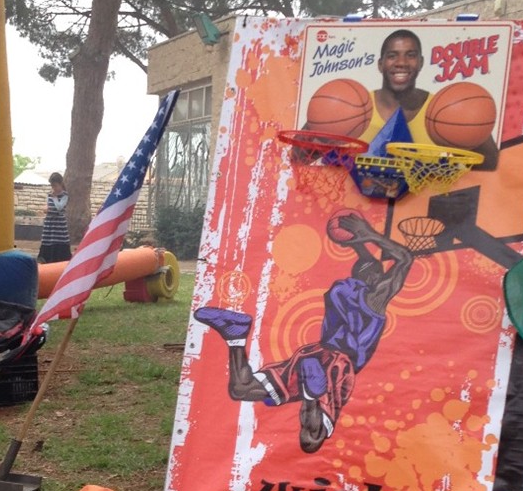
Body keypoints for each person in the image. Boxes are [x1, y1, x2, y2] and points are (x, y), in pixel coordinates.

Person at [194, 209, 414, 452]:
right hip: (338, 365)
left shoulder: (341, 289)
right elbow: (405, 258)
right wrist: (369, 234)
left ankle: (236, 335)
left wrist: (358, 242)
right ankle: (311, 395)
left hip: (313, 353)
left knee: (241, 389)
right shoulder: (376, 299)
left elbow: (368, 267)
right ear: (376, 279)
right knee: (311, 440)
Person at [362, 29, 499, 170]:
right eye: (392, 56)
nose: (401, 62)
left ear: (421, 62)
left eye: (411, 55)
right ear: (380, 64)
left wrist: (472, 127)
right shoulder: (358, 106)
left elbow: (490, 164)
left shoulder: (446, 110)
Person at [38, 169, 71, 262]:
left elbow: (59, 207)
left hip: (59, 224)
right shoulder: (50, 195)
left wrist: (55, 198)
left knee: (59, 242)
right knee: (48, 241)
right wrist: (45, 208)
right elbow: (47, 205)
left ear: (61, 184)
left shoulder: (65, 195)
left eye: (55, 186)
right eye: (52, 186)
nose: (54, 188)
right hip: (50, 223)